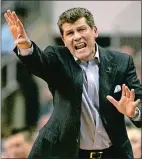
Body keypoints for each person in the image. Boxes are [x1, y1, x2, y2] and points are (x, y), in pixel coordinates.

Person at [4, 7, 142, 159]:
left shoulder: (121, 62)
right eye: (70, 33)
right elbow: (39, 63)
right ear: (63, 40)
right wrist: (25, 45)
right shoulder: (58, 58)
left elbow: (139, 101)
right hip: (65, 152)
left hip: (113, 153)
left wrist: (133, 113)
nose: (77, 37)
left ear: (94, 31)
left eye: (81, 29)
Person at [2, 4, 40, 128]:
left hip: (21, 64)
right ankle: (10, 124)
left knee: (31, 91)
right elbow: (9, 49)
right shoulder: (7, 29)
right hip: (12, 65)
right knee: (12, 97)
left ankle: (30, 123)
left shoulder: (21, 28)